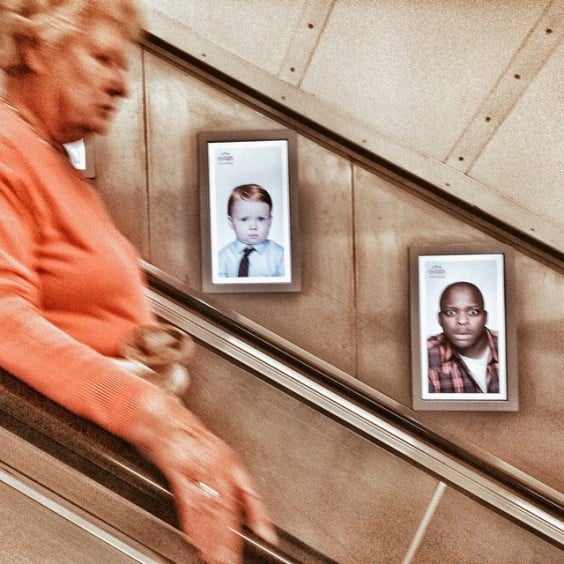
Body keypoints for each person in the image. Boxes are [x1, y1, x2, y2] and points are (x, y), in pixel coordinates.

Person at [0, 2, 277, 562]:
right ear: (33, 49)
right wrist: (150, 414)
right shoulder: (5, 145)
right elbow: (5, 318)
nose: (121, 86)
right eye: (102, 58)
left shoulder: (59, 167)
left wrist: (139, 341)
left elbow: (69, 298)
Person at [427, 282, 499, 393]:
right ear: (440, 319)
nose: (462, 321)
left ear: (485, 318)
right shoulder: (424, 355)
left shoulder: (509, 346)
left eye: (473, 312)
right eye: (450, 312)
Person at [218, 184, 285, 278]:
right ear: (231, 222)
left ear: (270, 221)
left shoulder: (280, 256)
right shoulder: (222, 257)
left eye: (261, 219)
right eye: (244, 219)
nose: (253, 227)